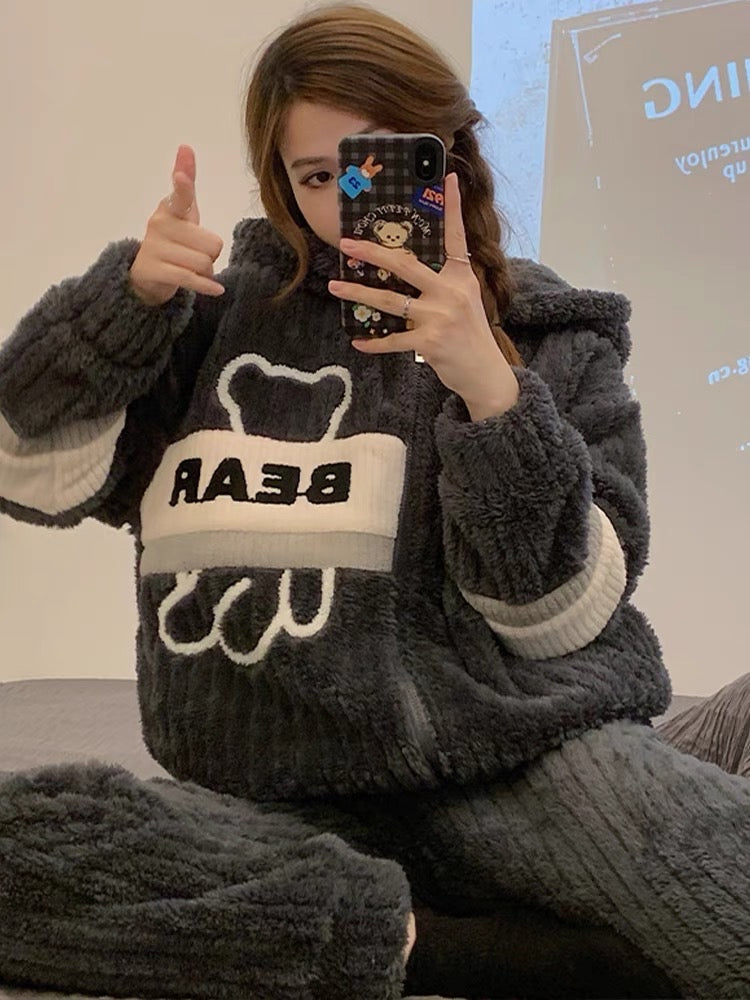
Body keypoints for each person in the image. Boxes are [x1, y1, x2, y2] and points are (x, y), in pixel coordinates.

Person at [0, 4, 747, 999]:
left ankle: (671, 787)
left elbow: (560, 618)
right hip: (281, 804)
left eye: (374, 163)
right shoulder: (207, 329)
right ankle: (446, 944)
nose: (349, 201)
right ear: (282, 183)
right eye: (317, 177)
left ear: (444, 157)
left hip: (526, 766)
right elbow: (29, 471)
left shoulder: (555, 336)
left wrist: (490, 391)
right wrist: (119, 310)